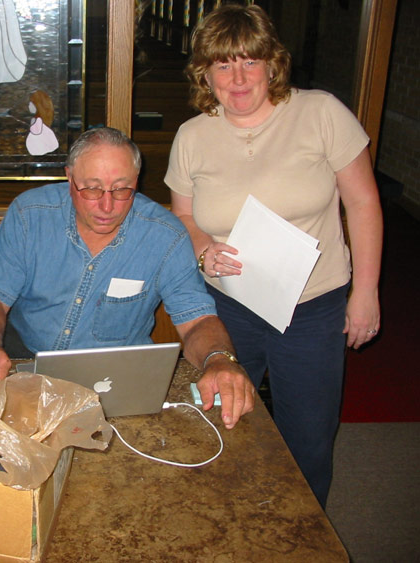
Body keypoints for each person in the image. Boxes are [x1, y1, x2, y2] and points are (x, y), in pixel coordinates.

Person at [164, 4, 382, 506]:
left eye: (249, 61)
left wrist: (365, 292)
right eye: (223, 64)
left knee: (307, 436)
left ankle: (302, 535)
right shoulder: (193, 135)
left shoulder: (320, 112)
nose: (237, 77)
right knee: (223, 420)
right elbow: (184, 217)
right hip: (229, 306)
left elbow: (364, 203)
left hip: (312, 306)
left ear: (273, 64)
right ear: (205, 72)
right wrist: (203, 251)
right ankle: (232, 522)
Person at [0, 127, 255, 430]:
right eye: (92, 189)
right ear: (69, 178)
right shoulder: (29, 215)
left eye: (121, 189)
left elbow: (198, 320)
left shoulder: (165, 236)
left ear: (136, 182)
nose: (107, 206)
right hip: (24, 357)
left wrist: (218, 360)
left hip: (113, 378)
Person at [25, 90, 59, 156]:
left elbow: (35, 132)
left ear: (37, 105)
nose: (29, 106)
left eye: (31, 103)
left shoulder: (37, 121)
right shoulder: (43, 120)